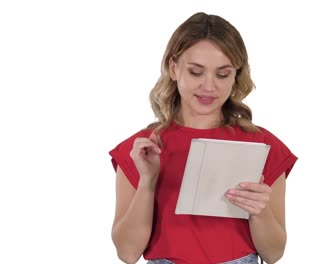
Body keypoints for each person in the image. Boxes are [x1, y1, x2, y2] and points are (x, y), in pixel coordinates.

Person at [109, 12, 298, 264]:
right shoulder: (143, 149)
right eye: (196, 72)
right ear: (173, 68)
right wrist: (147, 181)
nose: (209, 87)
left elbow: (273, 254)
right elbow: (127, 253)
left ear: (235, 75)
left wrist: (259, 212)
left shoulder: (262, 146)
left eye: (222, 74)